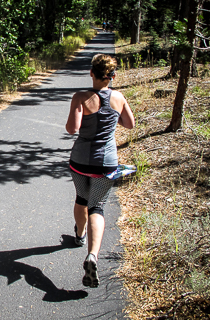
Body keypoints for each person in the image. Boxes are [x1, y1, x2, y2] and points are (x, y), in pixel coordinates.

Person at [65, 54, 135, 288]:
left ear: (91, 73)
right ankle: (92, 255)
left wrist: (79, 112)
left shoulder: (81, 97)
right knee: (97, 206)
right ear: (112, 76)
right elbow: (130, 124)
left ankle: (79, 235)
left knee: (81, 198)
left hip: (80, 161)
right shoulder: (119, 97)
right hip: (106, 162)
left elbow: (72, 129)